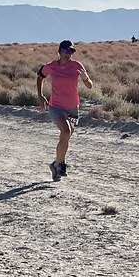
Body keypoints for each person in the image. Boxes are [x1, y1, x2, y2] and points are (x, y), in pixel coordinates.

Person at [36, 40, 93, 182]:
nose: (69, 54)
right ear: (60, 51)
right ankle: (61, 164)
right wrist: (40, 96)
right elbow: (40, 77)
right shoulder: (51, 66)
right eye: (66, 51)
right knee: (66, 132)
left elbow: (90, 86)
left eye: (71, 51)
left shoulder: (77, 66)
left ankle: (55, 165)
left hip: (73, 107)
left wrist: (85, 79)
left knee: (65, 137)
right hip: (56, 106)